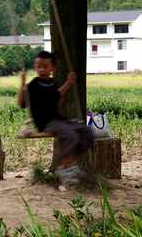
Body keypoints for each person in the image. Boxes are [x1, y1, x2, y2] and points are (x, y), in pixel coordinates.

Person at [17, 51, 93, 183]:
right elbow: (22, 104)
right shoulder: (34, 85)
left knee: (86, 131)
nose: (41, 69)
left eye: (45, 66)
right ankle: (61, 168)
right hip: (45, 122)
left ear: (53, 68)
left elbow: (56, 99)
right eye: (38, 66)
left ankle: (68, 164)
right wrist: (22, 85)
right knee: (71, 136)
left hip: (57, 119)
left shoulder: (53, 82)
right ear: (35, 67)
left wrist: (63, 94)